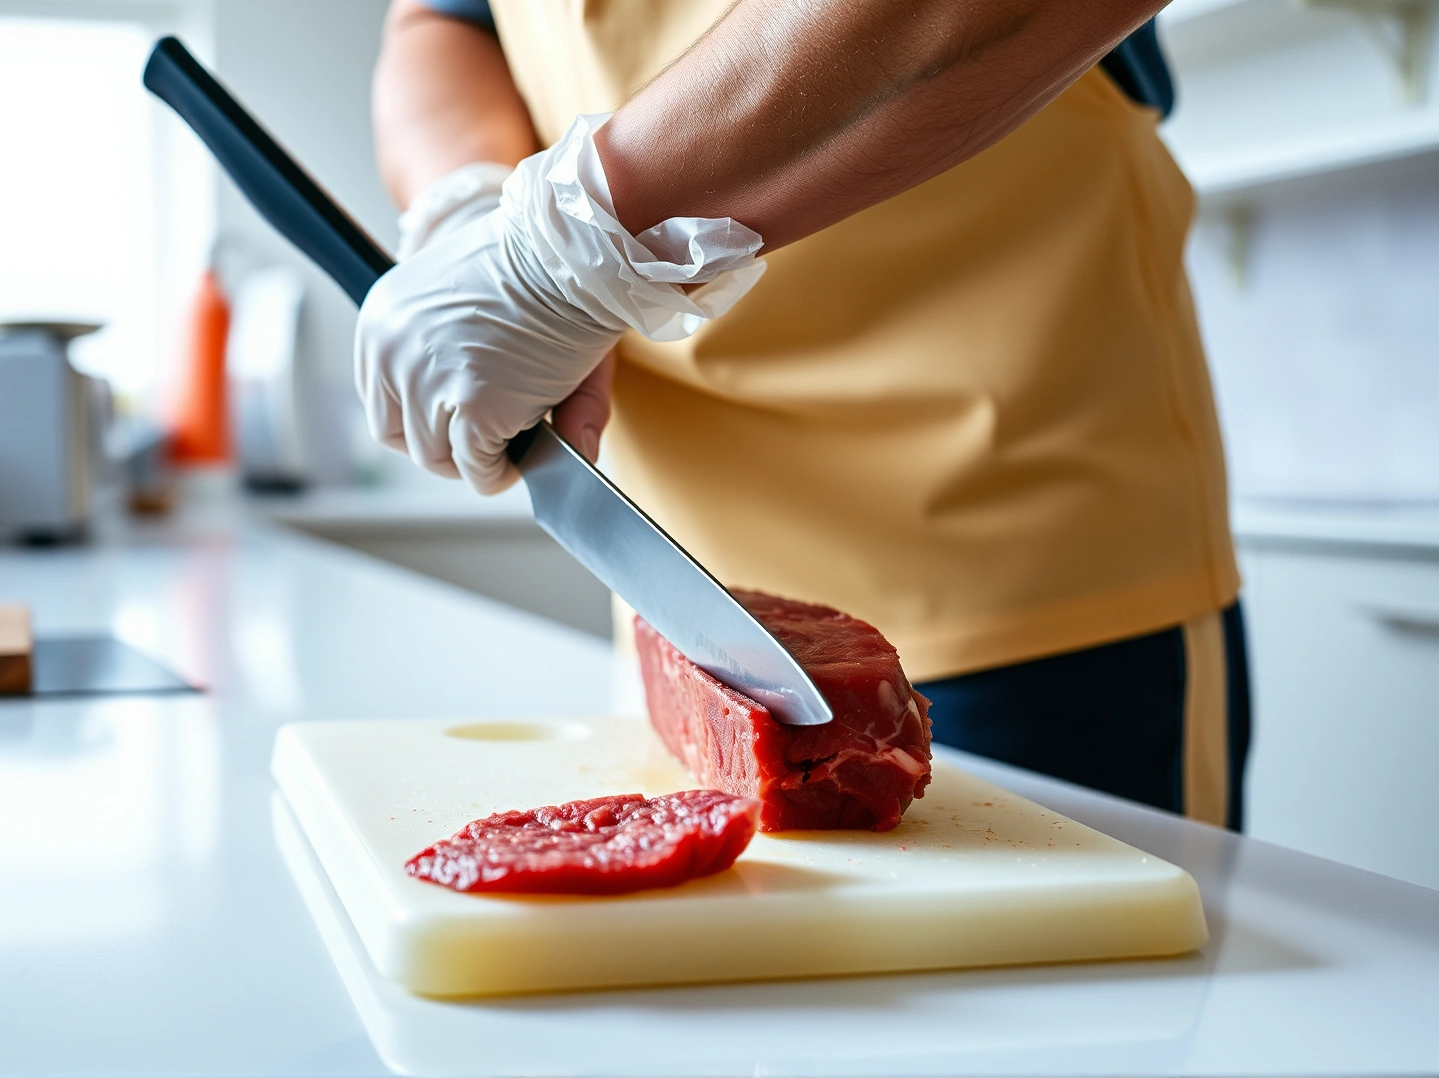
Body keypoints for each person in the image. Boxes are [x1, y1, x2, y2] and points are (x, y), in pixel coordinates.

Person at [359, 0, 1251, 829]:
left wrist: (576, 239)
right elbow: (441, 25)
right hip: (688, 612)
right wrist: (469, 209)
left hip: (1024, 569)